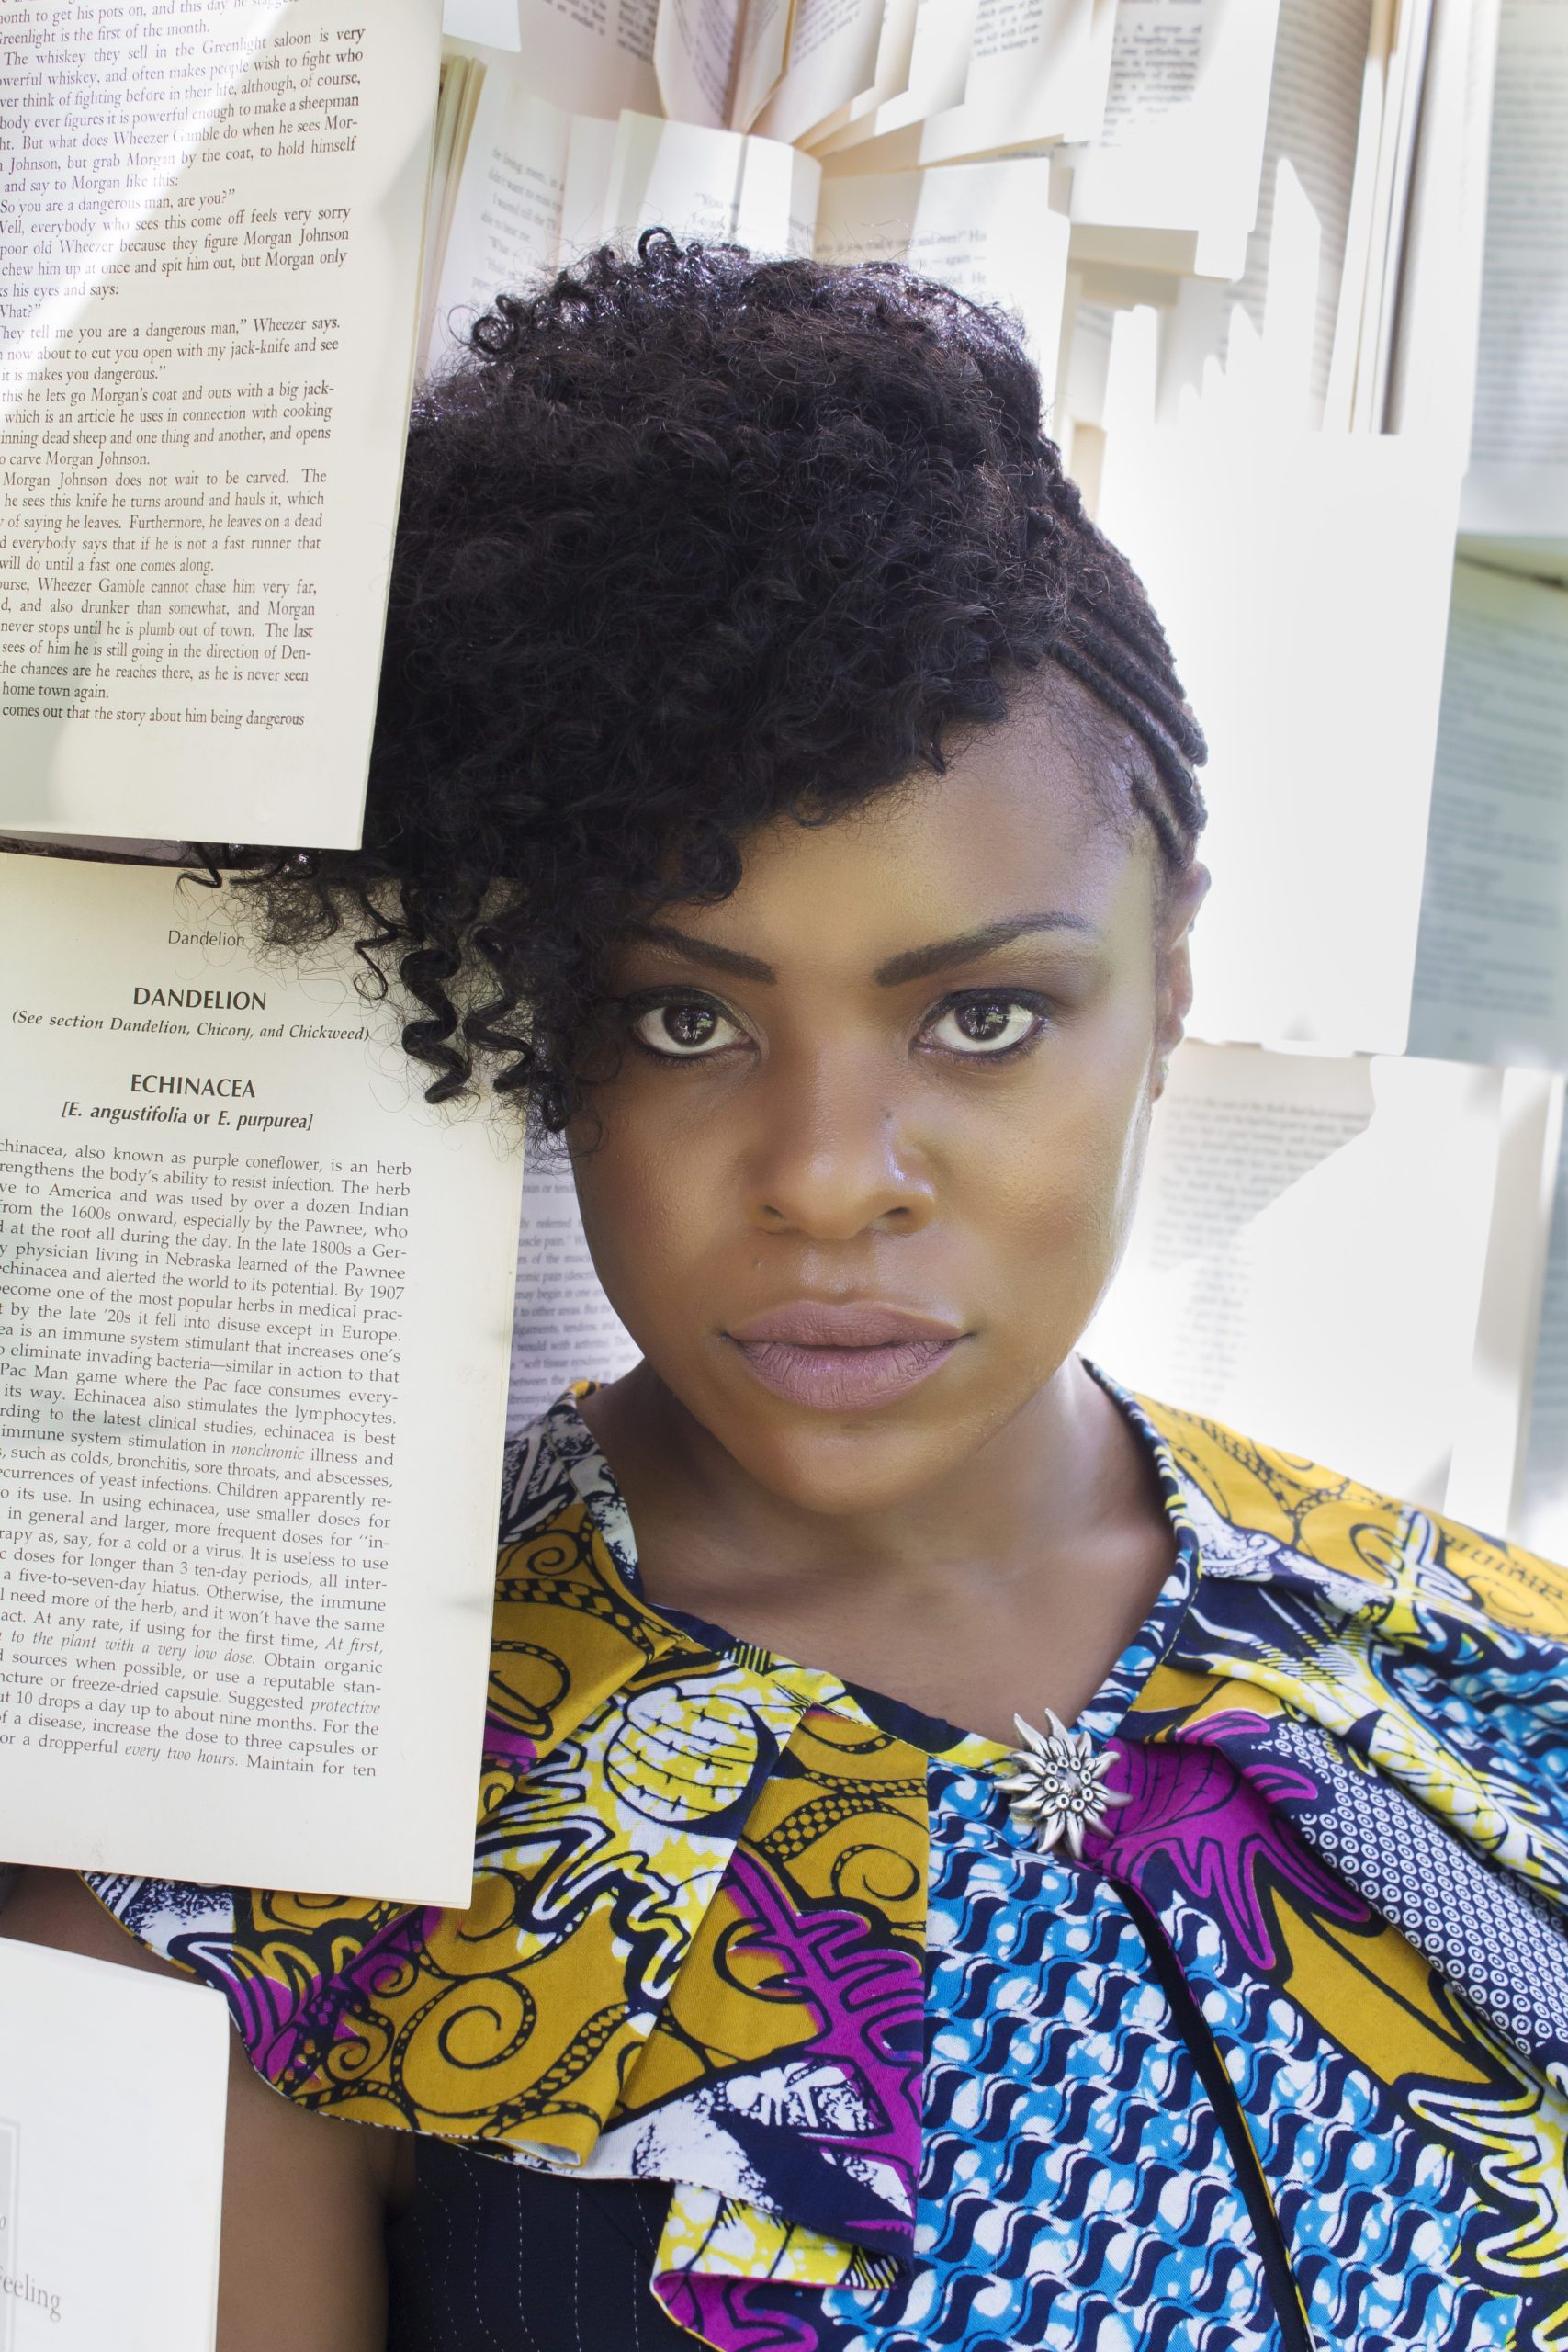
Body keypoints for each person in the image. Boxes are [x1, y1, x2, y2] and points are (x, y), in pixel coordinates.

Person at [6, 236, 1568, 2352]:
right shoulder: (258, 1877)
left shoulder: (1504, 1684)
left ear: (1167, 975)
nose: (831, 1176)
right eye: (678, 1021)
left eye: (987, 1015)